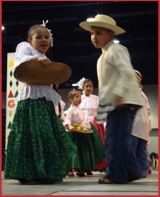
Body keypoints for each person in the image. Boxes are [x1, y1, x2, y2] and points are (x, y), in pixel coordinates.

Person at [4, 22, 76, 184]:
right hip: (31, 99)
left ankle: (44, 171)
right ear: (30, 40)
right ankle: (29, 173)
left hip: (45, 101)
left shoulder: (46, 58)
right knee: (32, 134)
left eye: (47, 37)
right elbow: (21, 61)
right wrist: (37, 58)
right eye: (39, 37)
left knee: (46, 134)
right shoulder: (25, 47)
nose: (44, 39)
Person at [79, 14, 144, 184]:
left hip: (123, 101)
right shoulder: (102, 57)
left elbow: (127, 72)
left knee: (115, 139)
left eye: (99, 33)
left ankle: (116, 175)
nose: (94, 37)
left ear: (111, 35)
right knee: (118, 138)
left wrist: (120, 95)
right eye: (92, 33)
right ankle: (132, 171)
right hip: (117, 102)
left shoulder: (115, 50)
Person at [63, 89, 105, 177]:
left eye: (80, 97)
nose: (79, 98)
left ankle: (82, 168)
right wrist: (70, 126)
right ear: (71, 99)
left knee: (82, 151)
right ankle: (71, 168)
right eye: (76, 97)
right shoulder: (71, 110)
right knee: (75, 152)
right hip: (74, 133)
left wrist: (87, 124)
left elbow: (82, 121)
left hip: (81, 133)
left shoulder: (79, 109)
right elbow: (67, 120)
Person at [77, 77, 107, 171]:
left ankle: (98, 165)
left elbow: (101, 111)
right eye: (87, 86)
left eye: (91, 86)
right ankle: (84, 166)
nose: (89, 88)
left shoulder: (96, 98)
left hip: (94, 123)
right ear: (83, 87)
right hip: (81, 123)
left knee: (97, 144)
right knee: (84, 146)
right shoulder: (79, 98)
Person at [131, 70, 152, 178]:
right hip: (144, 125)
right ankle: (143, 171)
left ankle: (132, 172)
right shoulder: (143, 93)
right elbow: (149, 111)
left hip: (134, 125)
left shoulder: (131, 91)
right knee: (142, 150)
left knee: (132, 149)